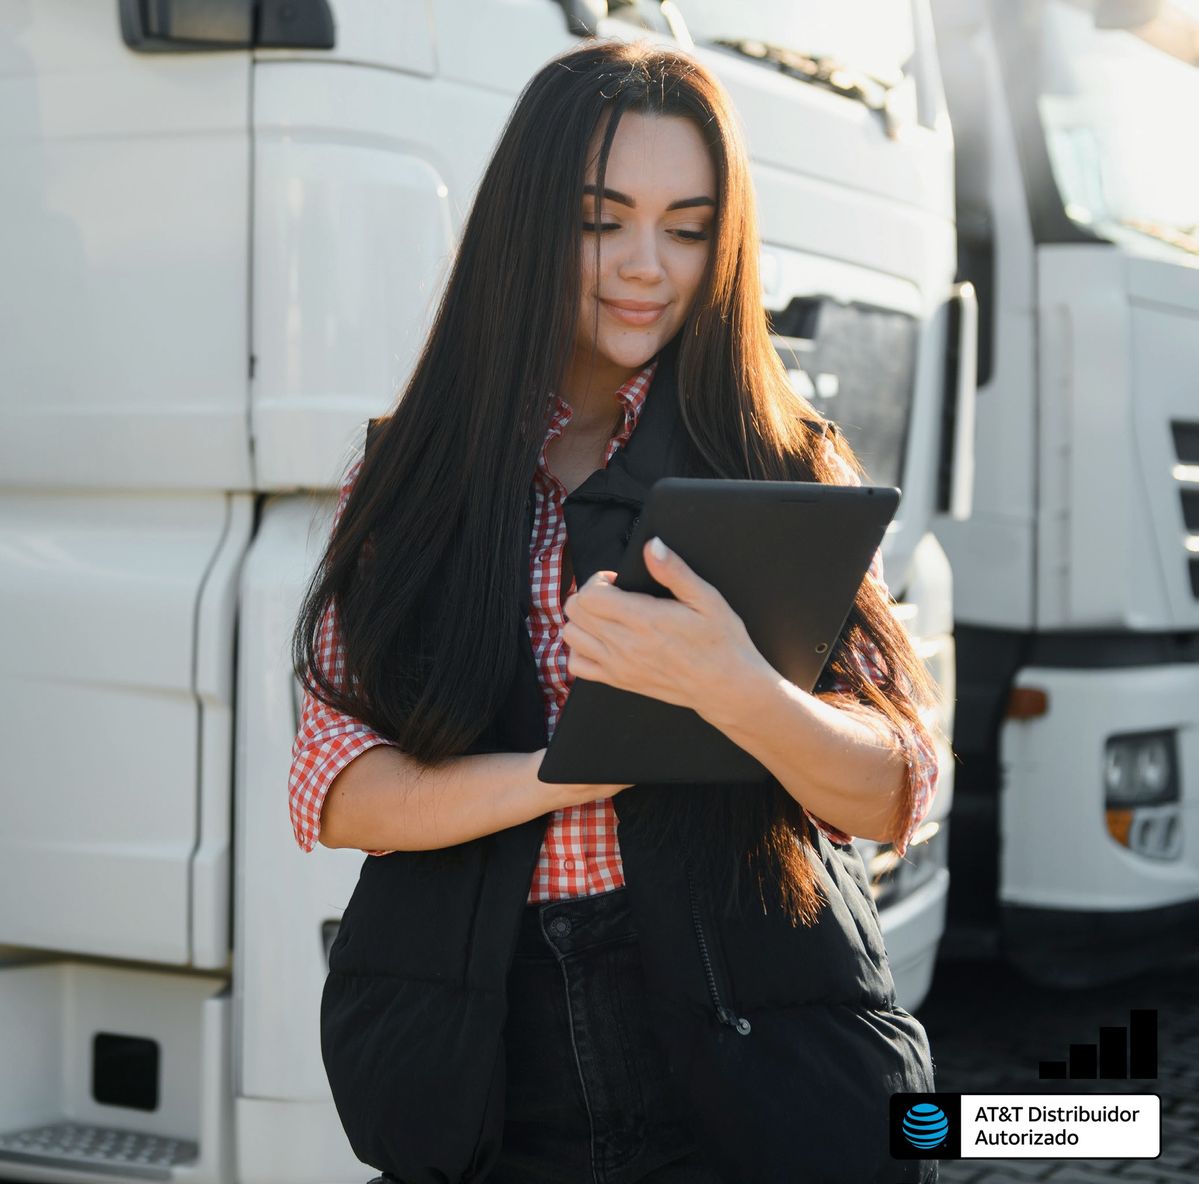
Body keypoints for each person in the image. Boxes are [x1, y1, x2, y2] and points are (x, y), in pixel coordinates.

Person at [290, 38, 943, 1184]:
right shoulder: (410, 478)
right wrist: (578, 764)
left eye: (687, 227)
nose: (647, 264)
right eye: (603, 219)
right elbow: (342, 791)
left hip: (751, 1055)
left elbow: (892, 787)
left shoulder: (782, 461)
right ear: (529, 221)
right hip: (486, 1059)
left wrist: (734, 689)